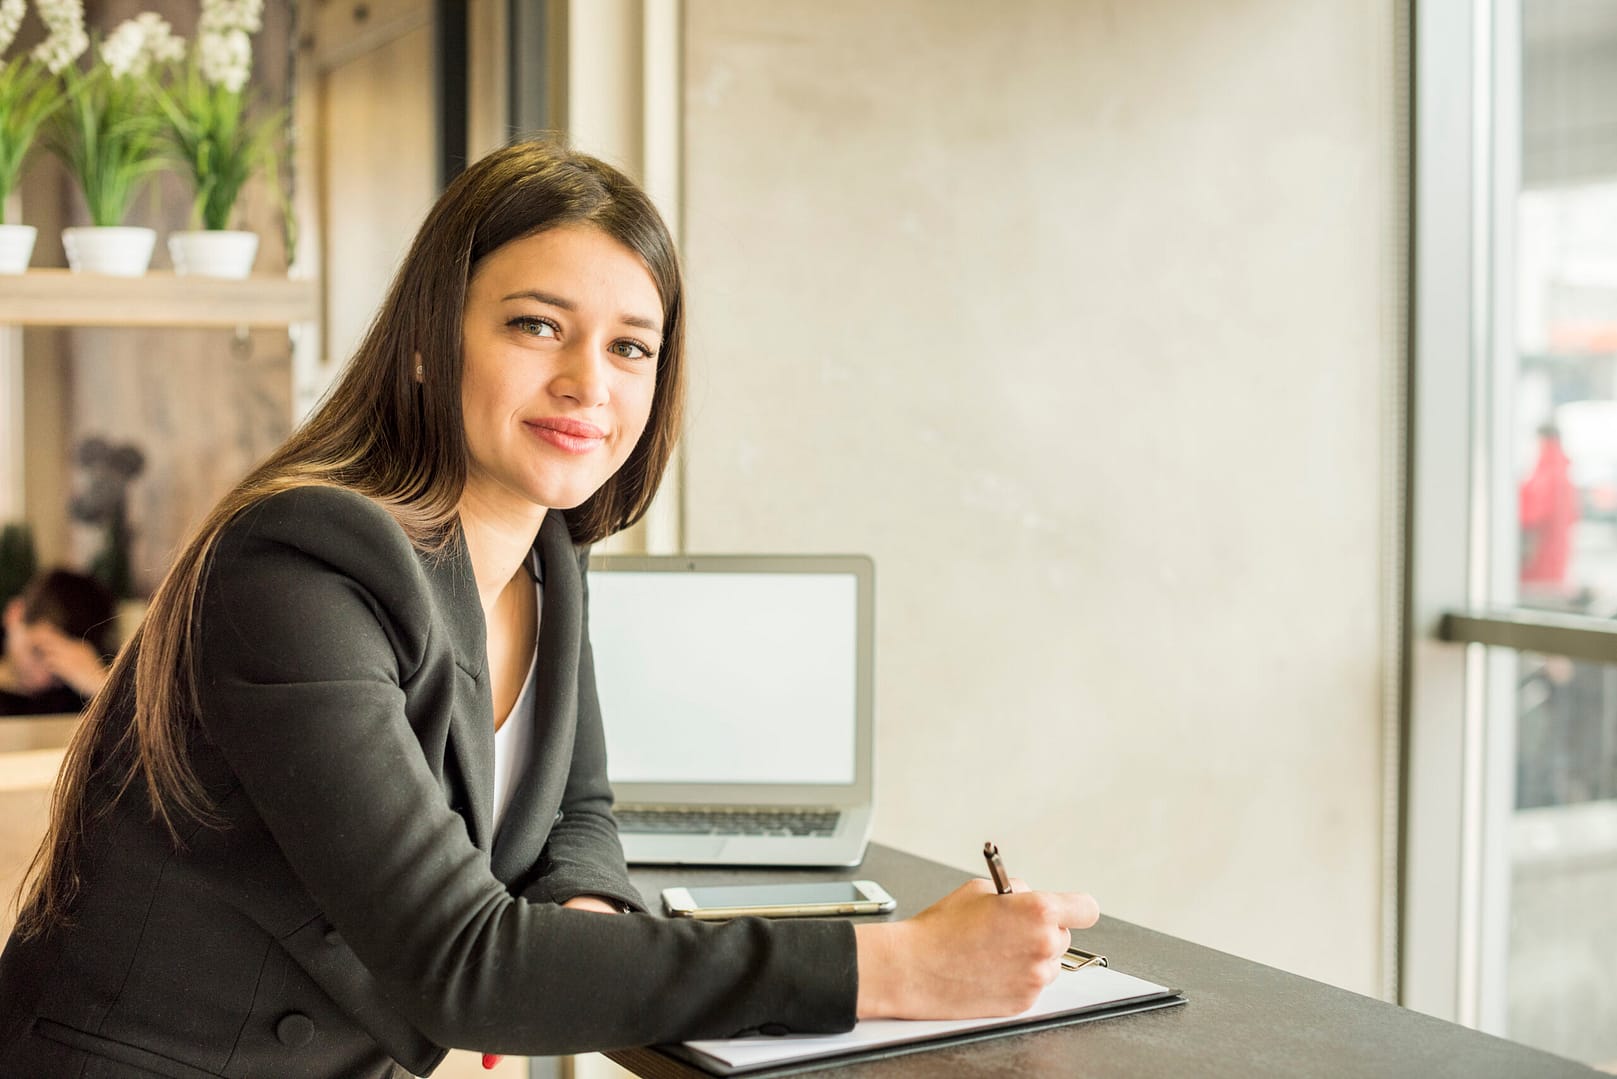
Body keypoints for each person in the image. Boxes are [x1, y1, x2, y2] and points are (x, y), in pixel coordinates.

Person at [0, 141, 1099, 1077]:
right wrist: (904, 965)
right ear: (431, 340)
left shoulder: (547, 557)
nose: (592, 381)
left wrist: (586, 919)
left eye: (632, 346)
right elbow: (463, 964)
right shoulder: (296, 567)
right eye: (537, 326)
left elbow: (580, 808)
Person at [0, 568, 115, 717]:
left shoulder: (74, 696)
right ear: (14, 614)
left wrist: (102, 686)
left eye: (57, 676)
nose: (43, 680)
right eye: (39, 652)